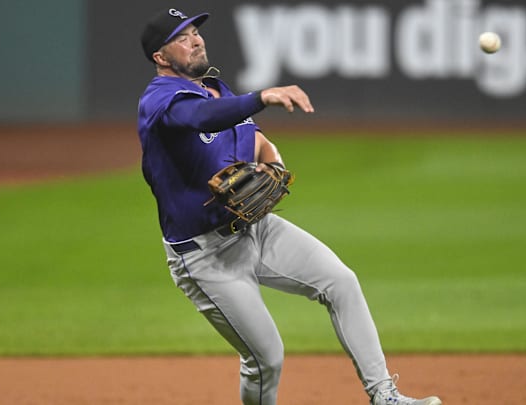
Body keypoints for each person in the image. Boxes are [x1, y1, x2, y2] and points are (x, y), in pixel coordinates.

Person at [137, 8, 442, 405]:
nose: (196, 40)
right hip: (205, 256)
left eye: (196, 31)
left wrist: (274, 160)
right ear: (161, 57)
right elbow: (200, 116)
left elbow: (254, 138)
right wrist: (261, 97)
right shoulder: (160, 100)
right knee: (266, 359)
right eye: (182, 36)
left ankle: (384, 396)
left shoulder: (216, 88)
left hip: (256, 228)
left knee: (341, 282)